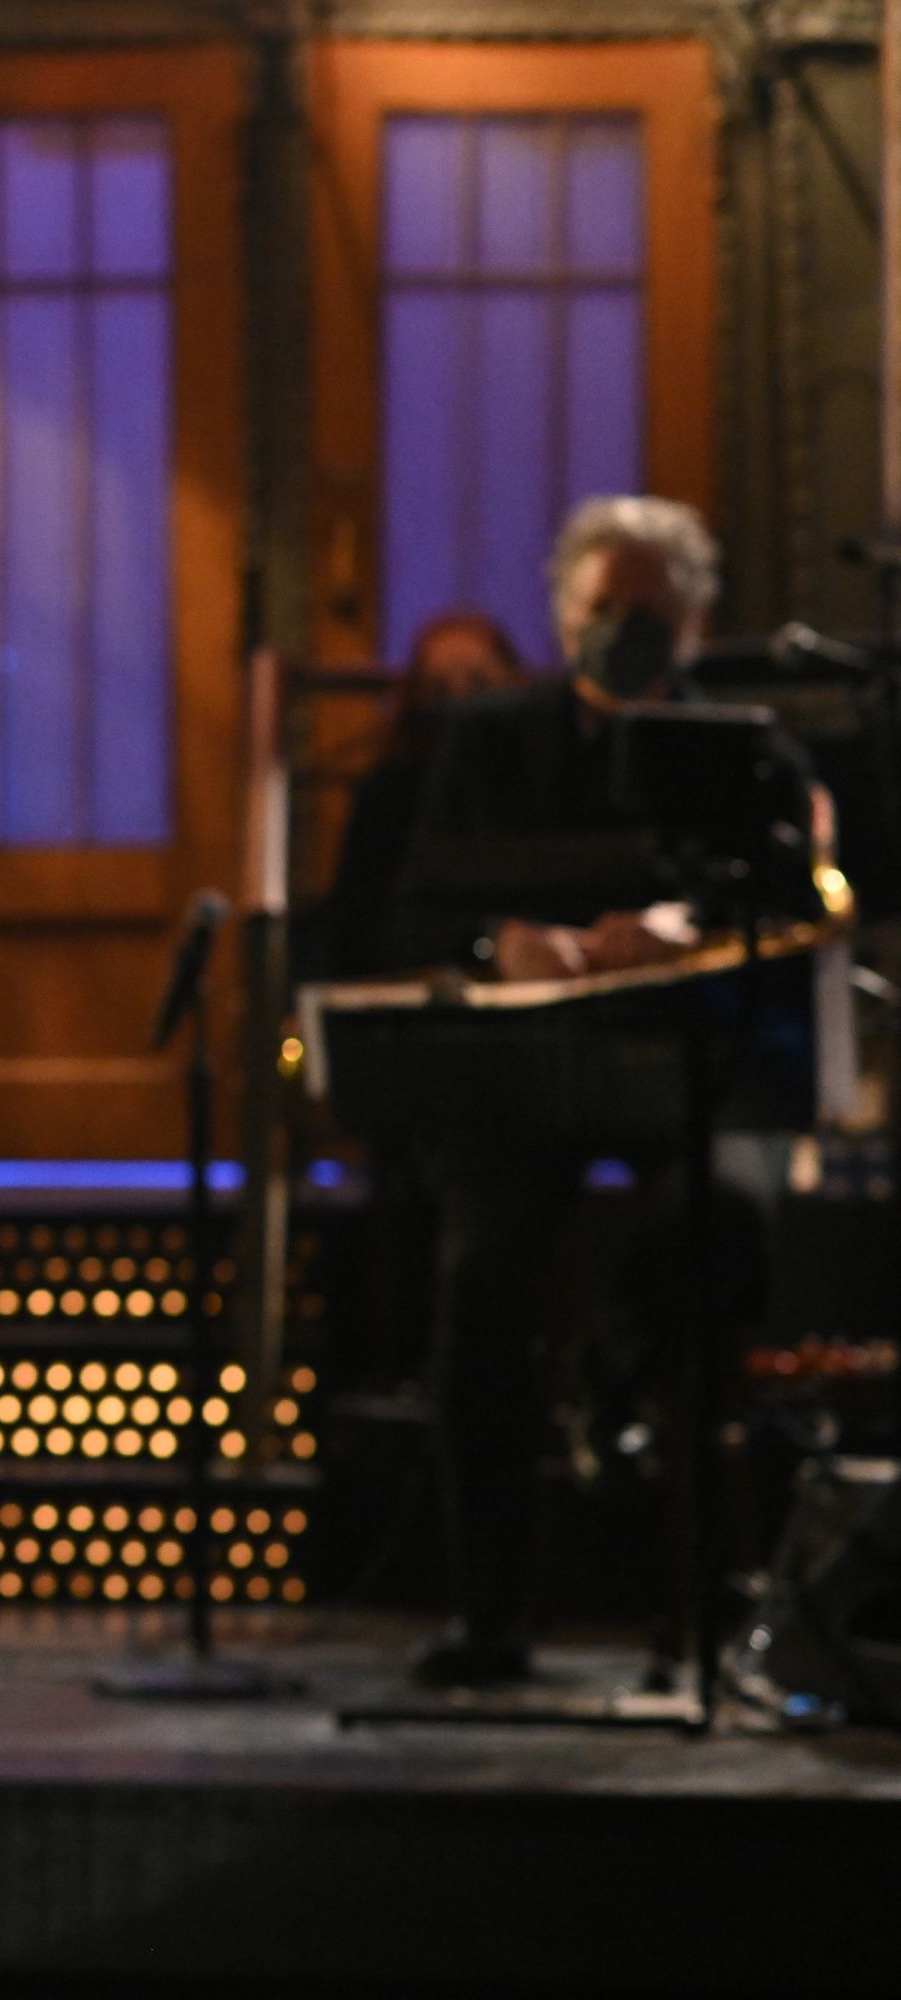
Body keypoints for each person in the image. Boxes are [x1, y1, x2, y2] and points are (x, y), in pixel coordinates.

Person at [385, 496, 815, 1689]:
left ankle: (700, 1590)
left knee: (719, 1230)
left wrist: (681, 929)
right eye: (603, 608)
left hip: (700, 1075)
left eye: (650, 611)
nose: (625, 630)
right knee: (480, 1278)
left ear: (693, 620)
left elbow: (798, 905)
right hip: (525, 1091)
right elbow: (419, 898)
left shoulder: (748, 748)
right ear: (563, 614)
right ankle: (493, 1612)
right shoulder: (489, 740)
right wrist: (507, 941)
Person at [320, 609, 525, 979]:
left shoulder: (532, 784)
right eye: (440, 690)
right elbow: (363, 922)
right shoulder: (389, 792)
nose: (460, 704)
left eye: (479, 685)